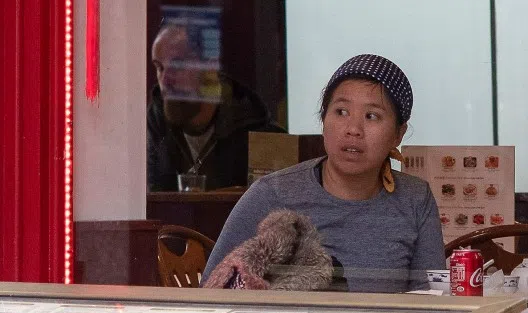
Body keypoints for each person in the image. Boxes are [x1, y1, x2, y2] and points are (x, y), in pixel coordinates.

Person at [203, 54, 444, 293]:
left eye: (372, 116)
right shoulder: (271, 194)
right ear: (323, 120)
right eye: (341, 112)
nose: (353, 129)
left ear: (398, 134)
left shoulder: (415, 199)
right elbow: (212, 287)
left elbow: (433, 296)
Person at [146, 23, 282, 191]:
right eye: (159, 67)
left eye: (177, 66)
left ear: (210, 67)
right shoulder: (151, 131)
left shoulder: (259, 135)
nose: (165, 81)